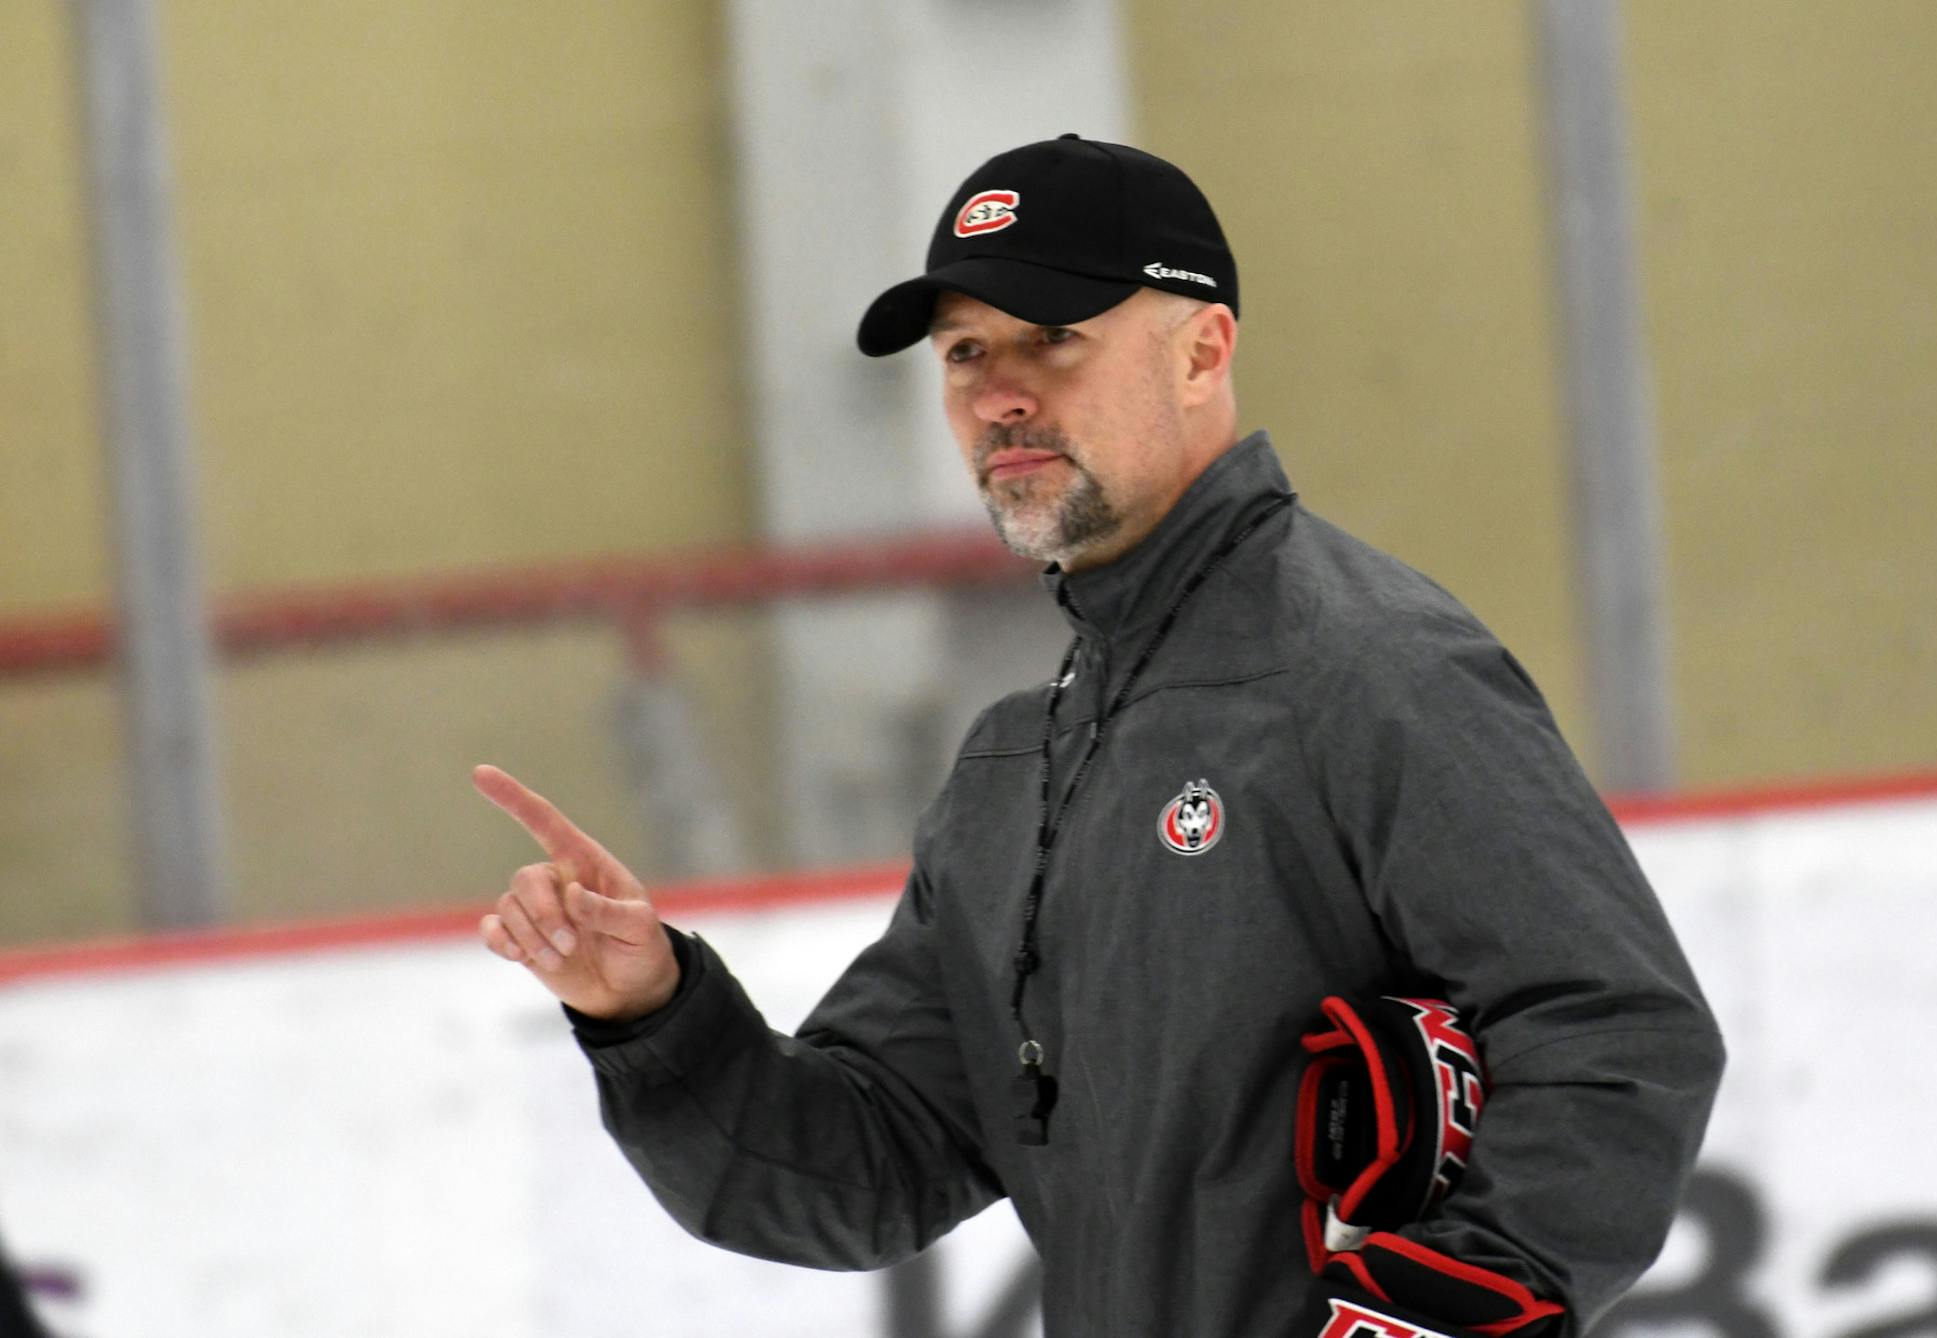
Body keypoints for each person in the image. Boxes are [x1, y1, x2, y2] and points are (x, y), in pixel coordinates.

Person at [476, 135, 1723, 1337]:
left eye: (1053, 338)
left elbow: (1616, 1034)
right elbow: (861, 1173)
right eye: (965, 352)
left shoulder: (1367, 668)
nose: (998, 392)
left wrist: (1447, 1315)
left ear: (1203, 351)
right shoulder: (1018, 768)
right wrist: (651, 1013)